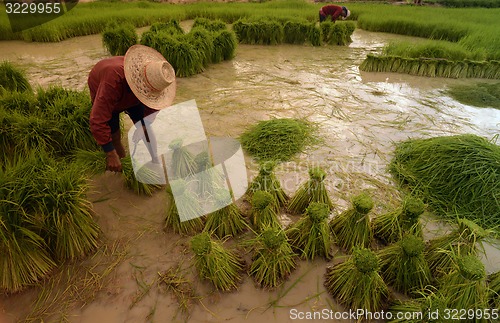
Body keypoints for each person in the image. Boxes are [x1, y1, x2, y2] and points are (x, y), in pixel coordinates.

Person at [88, 44, 176, 172]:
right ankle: (122, 163)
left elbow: (154, 107)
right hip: (109, 87)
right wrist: (110, 153)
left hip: (130, 93)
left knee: (146, 129)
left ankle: (155, 160)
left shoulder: (154, 82)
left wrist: (144, 126)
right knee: (114, 134)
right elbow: (97, 120)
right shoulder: (111, 83)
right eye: (147, 93)